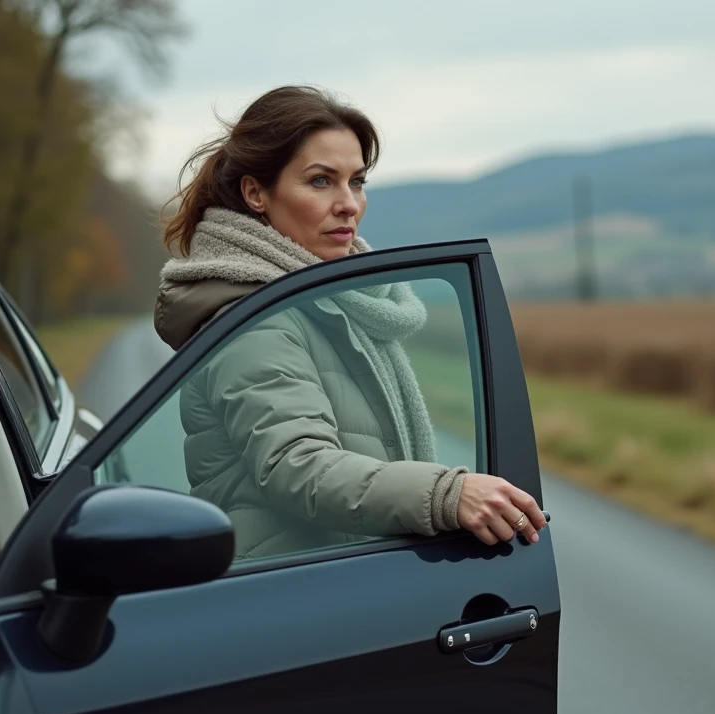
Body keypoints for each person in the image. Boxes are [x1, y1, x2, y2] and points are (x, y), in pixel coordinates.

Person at [154, 85, 547, 559]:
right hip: (290, 588)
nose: (349, 204)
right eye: (321, 181)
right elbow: (298, 466)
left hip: (332, 576)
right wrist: (446, 494)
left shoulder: (323, 299)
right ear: (256, 193)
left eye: (356, 182)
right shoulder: (256, 318)